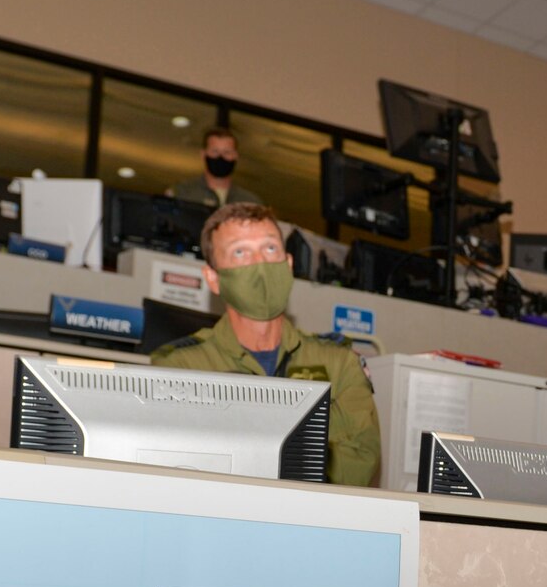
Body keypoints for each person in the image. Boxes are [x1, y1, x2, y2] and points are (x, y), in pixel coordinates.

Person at [149, 202, 378, 487]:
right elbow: (174, 474)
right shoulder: (179, 367)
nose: (260, 263)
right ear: (214, 278)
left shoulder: (340, 363)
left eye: (270, 249)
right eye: (240, 252)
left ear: (289, 264)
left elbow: (357, 468)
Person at [169, 127, 261, 208]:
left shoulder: (250, 203)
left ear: (236, 156)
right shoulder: (182, 193)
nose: (221, 157)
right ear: (203, 154)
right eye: (215, 151)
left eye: (227, 152)